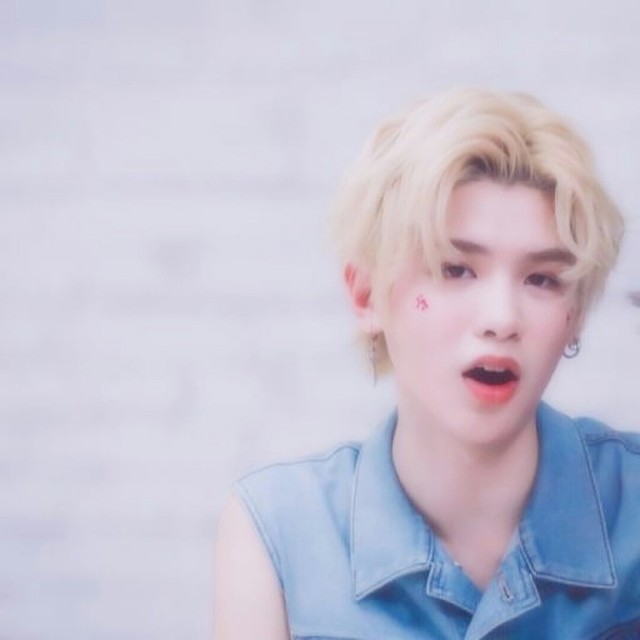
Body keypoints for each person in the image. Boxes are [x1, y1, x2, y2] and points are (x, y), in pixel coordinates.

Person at [213, 88, 640, 639]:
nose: (501, 319)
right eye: (455, 269)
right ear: (367, 295)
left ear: (575, 313)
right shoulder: (279, 529)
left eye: (542, 279)